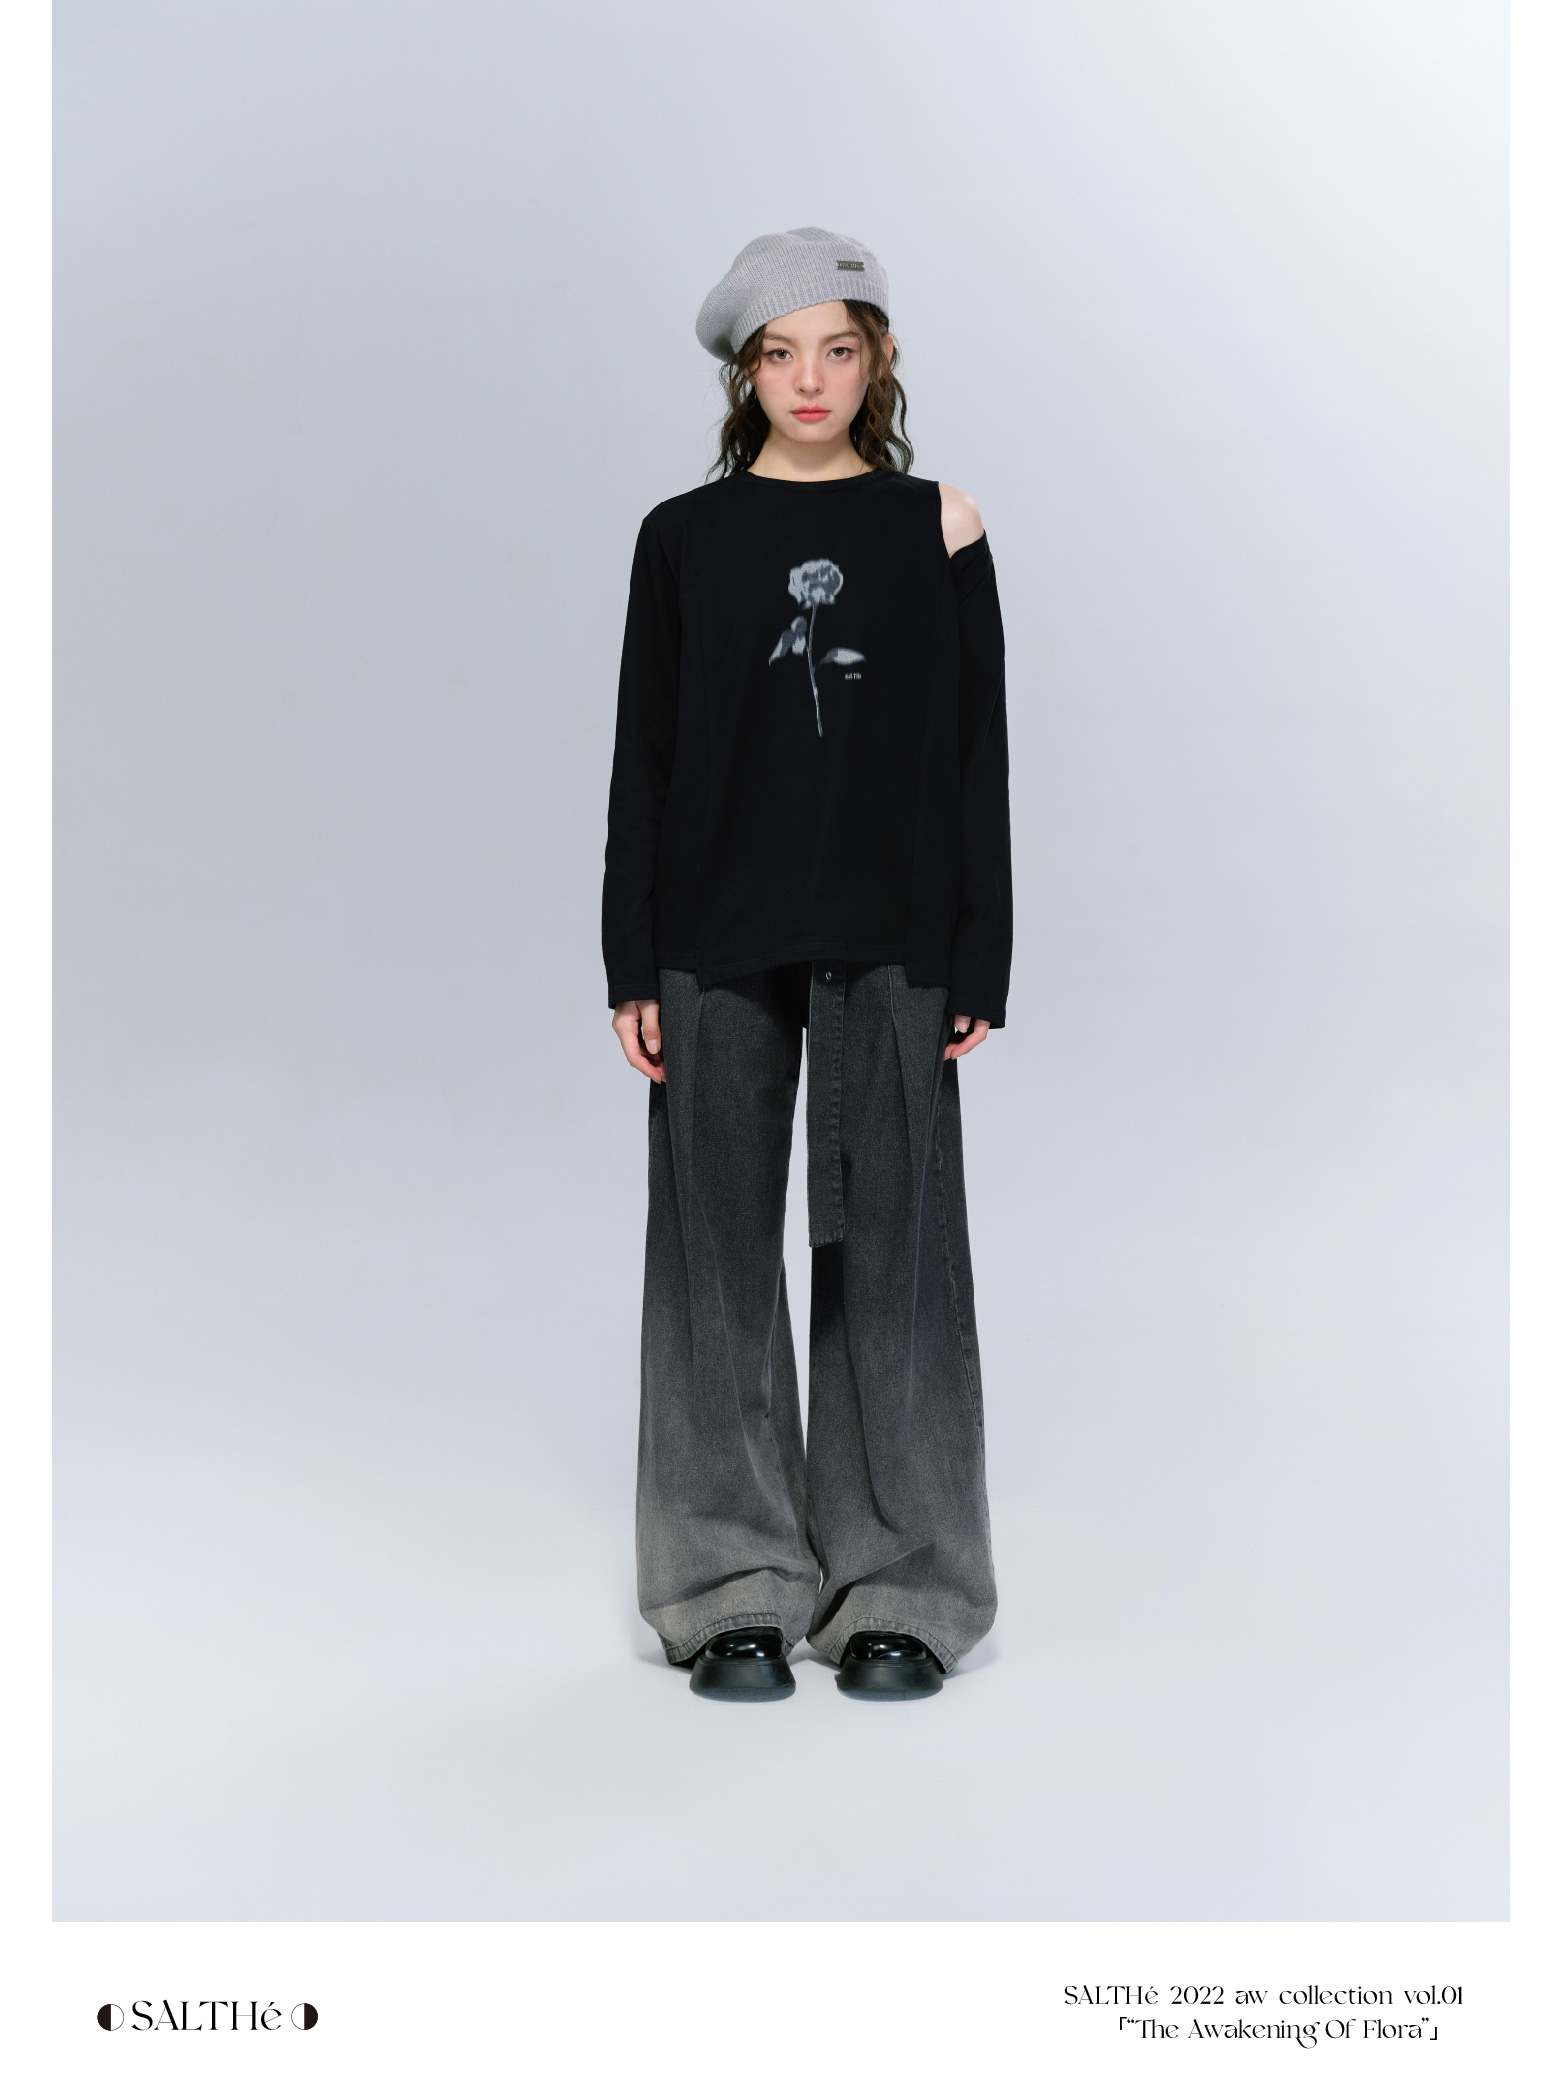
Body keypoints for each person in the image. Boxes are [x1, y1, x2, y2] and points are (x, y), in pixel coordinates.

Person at [602, 227, 1011, 1703]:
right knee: (715, 1263)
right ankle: (730, 1587)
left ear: (878, 358)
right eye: (780, 354)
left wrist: (979, 950)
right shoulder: (682, 539)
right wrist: (631, 957)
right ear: (746, 372)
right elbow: (645, 756)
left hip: (893, 933)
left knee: (896, 1257)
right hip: (714, 935)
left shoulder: (938, 526)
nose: (811, 380)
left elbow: (975, 754)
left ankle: (904, 1588)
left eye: (838, 349)